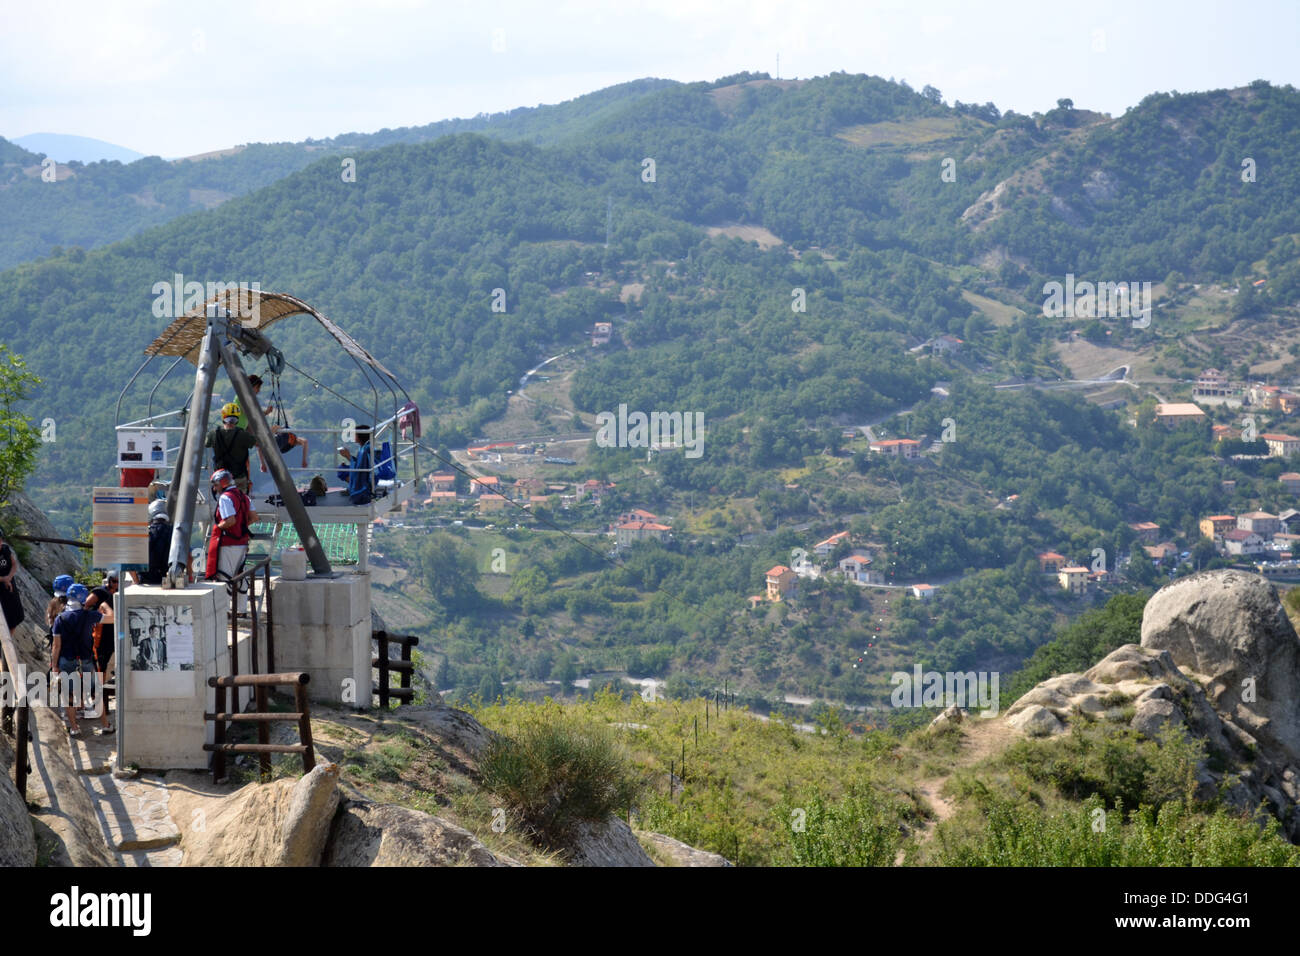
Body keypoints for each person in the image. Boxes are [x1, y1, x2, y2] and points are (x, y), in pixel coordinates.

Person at [51, 584, 111, 736]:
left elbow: (56, 646)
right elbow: (112, 619)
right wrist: (105, 606)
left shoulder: (60, 619)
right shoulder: (89, 615)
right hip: (85, 659)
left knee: (69, 694)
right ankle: (105, 725)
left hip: (66, 660)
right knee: (95, 692)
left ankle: (74, 728)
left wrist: (54, 666)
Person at [205, 469, 258, 581]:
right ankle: (241, 599)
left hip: (228, 544)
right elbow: (254, 518)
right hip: (243, 543)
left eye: (216, 485)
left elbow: (230, 521)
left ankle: (226, 599)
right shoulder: (244, 497)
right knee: (240, 578)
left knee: (225, 578)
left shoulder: (225, 498)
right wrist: (242, 526)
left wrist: (218, 528)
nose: (214, 489)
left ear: (222, 484)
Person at [206, 402, 262, 495]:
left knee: (225, 502)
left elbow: (206, 443)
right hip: (239, 477)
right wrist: (271, 431)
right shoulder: (242, 434)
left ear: (223, 417)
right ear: (238, 419)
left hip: (221, 479)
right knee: (240, 503)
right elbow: (257, 442)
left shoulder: (213, 434)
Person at [337, 424, 374, 505]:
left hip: (362, 478)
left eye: (355, 433)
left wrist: (347, 456)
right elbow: (359, 463)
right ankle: (352, 484)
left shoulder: (364, 449)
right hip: (362, 473)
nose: (353, 435)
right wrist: (348, 457)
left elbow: (359, 468)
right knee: (342, 468)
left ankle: (354, 486)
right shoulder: (364, 447)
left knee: (341, 470)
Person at [0, 527, 24, 634]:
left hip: (10, 586)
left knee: (15, 617)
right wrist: (3, 579)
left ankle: (8, 643)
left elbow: (14, 564)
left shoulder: (5, 549)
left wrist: (8, 577)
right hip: (1, 589)